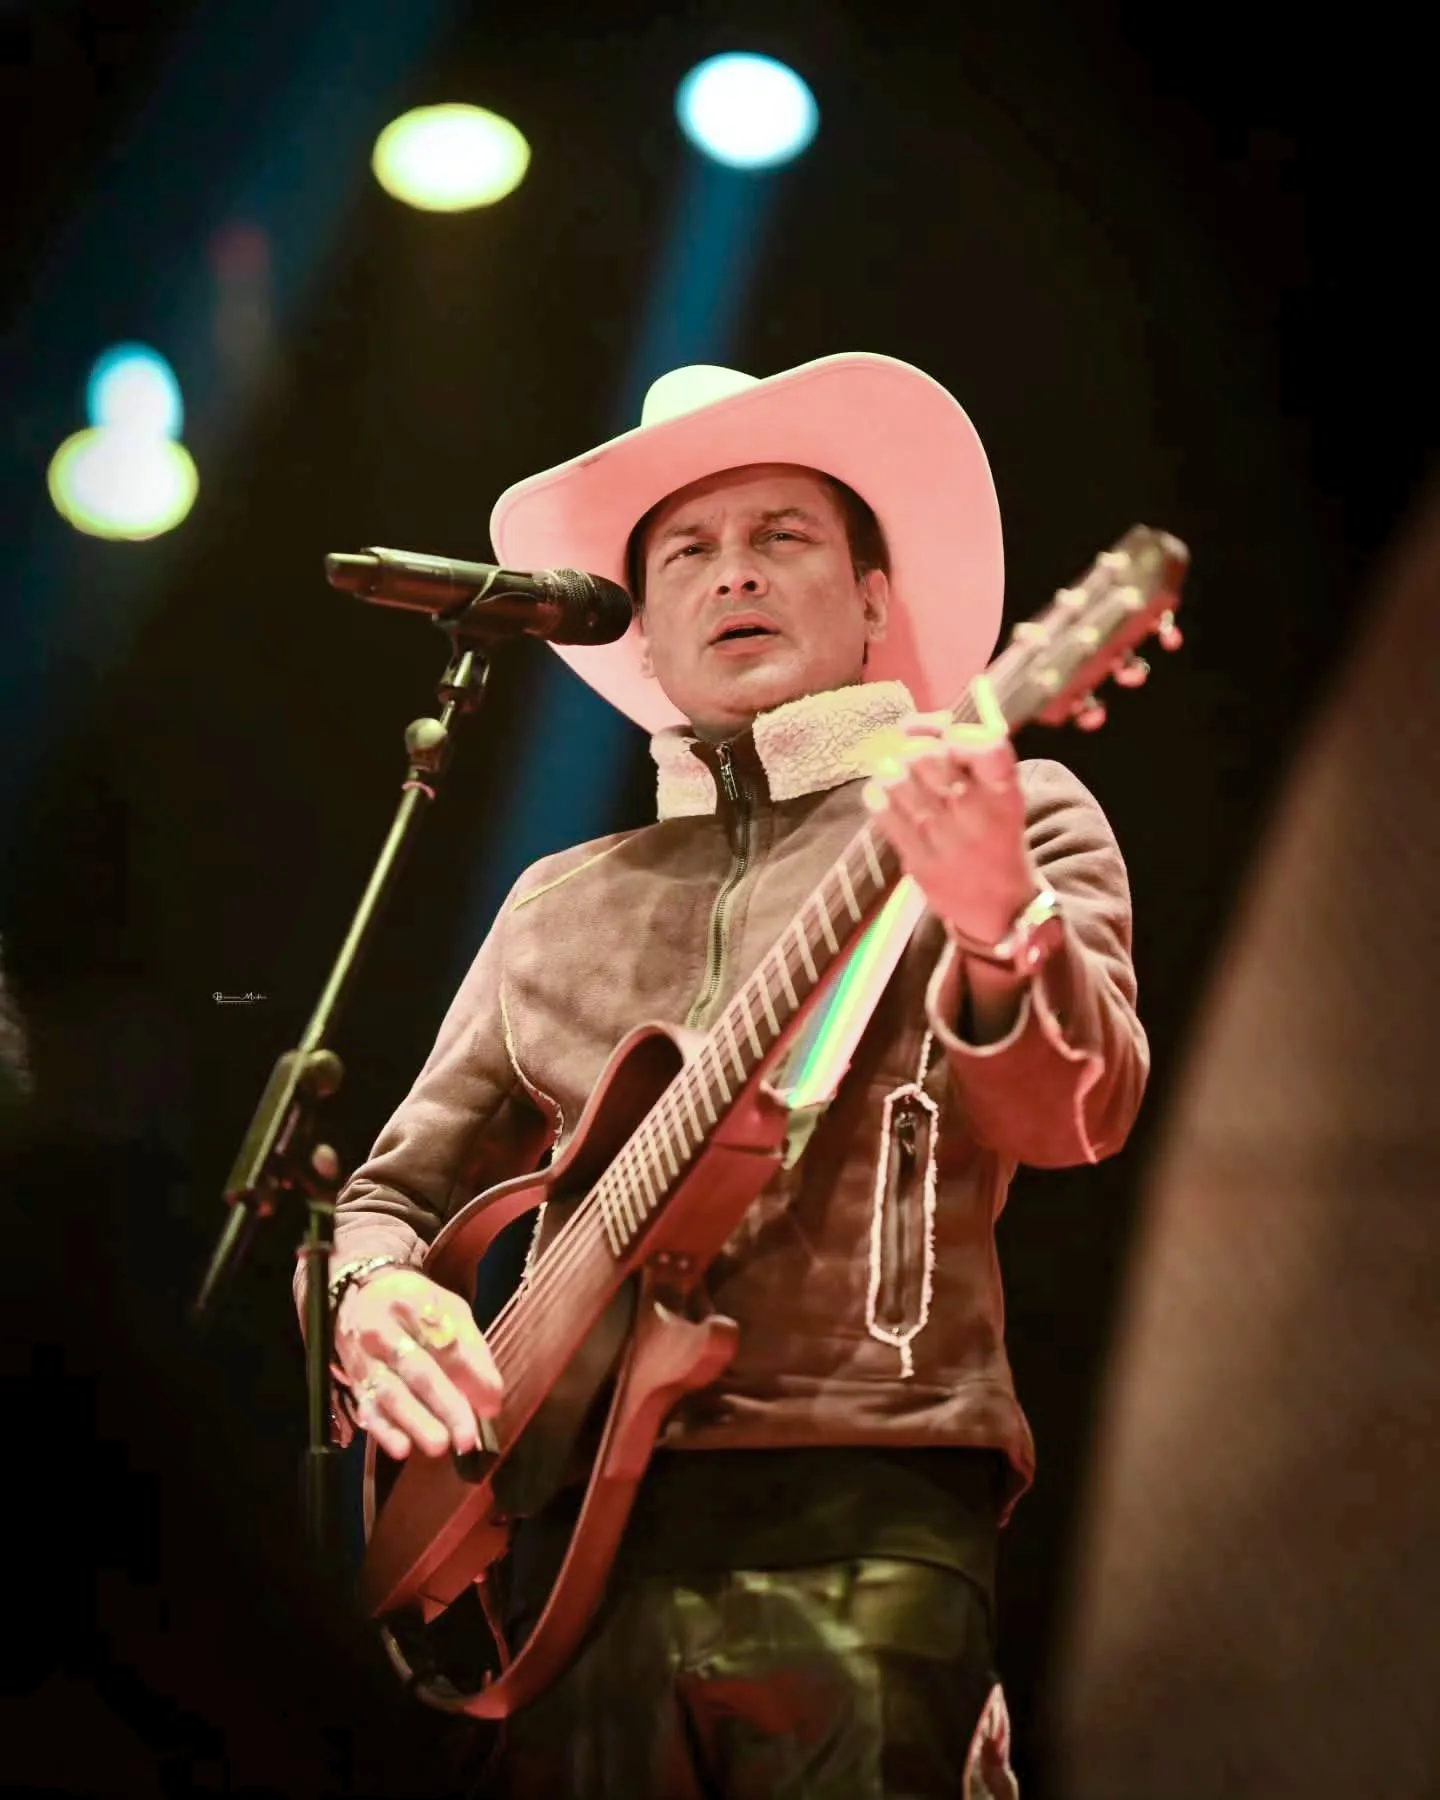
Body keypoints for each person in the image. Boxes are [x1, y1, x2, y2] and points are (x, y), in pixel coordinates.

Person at [299, 352, 1149, 1798]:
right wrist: (370, 1297)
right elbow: (385, 1196)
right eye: (686, 550)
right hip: (562, 1555)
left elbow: (1079, 1115)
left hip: (866, 1508)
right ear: (641, 627)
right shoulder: (558, 902)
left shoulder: (1008, 811)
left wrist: (1000, 919)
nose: (732, 572)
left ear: (875, 599)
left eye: (780, 534)